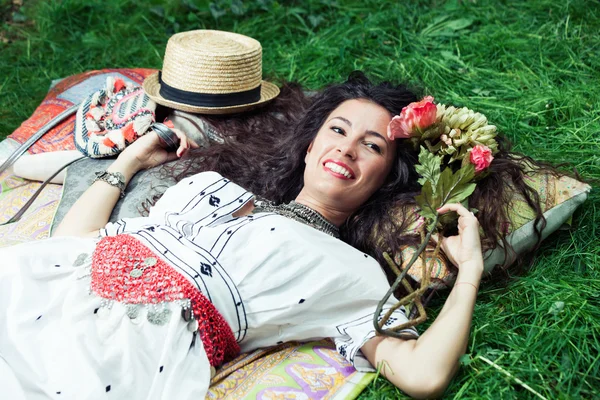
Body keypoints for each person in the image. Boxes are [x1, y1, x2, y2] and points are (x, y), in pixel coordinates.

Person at [0, 30, 546, 400]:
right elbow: (72, 248)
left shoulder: (351, 273)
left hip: (131, 344)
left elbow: (423, 376)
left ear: (387, 177)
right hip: (45, 288)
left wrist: (469, 272)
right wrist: (131, 160)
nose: (347, 149)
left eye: (373, 146)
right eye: (337, 129)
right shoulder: (206, 185)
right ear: (309, 147)